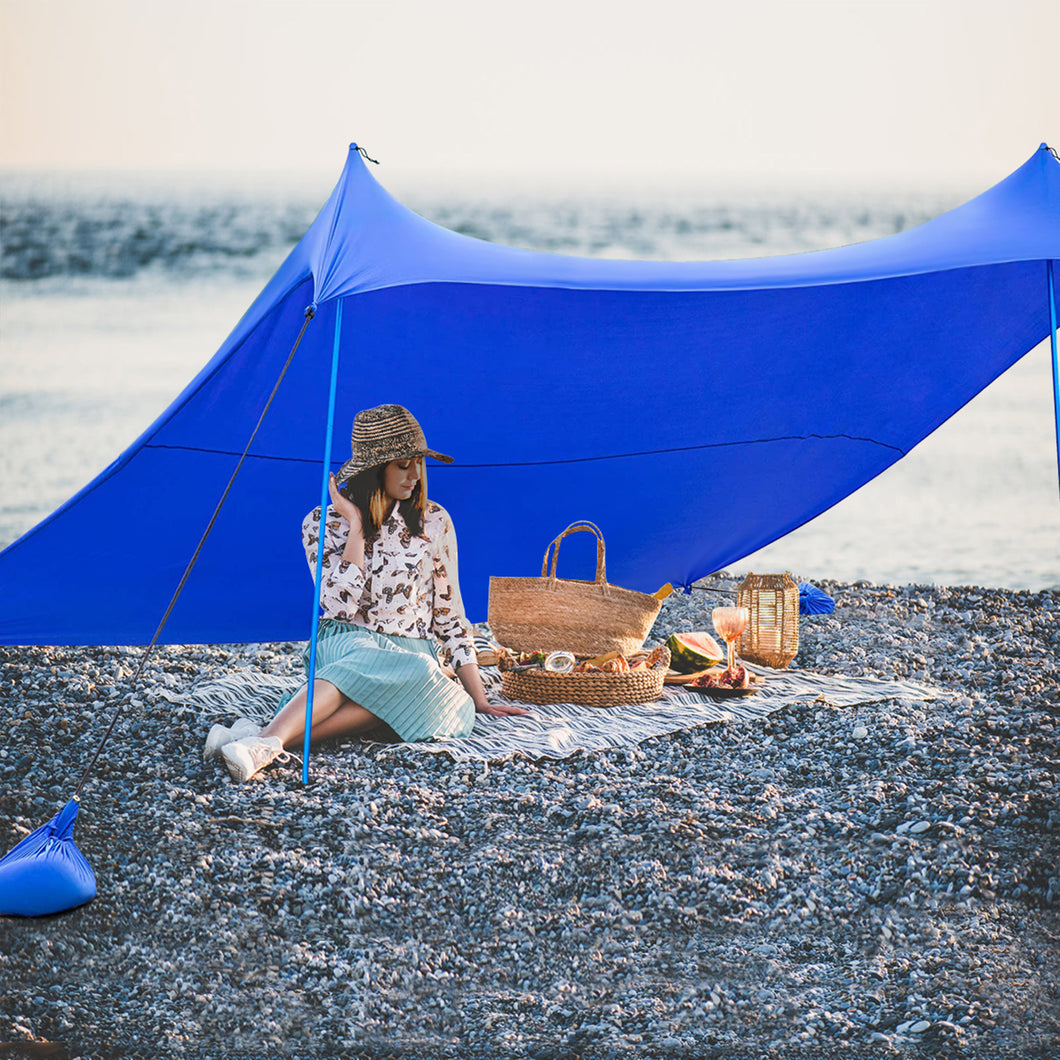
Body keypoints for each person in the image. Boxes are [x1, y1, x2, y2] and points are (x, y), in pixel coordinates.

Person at [206, 404, 527, 781]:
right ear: (375, 470)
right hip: (347, 642)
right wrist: (356, 527)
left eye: (420, 463)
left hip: (413, 654)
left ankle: (260, 738)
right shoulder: (320, 523)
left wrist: (480, 698)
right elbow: (337, 607)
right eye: (403, 465)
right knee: (385, 672)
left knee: (452, 703)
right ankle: (267, 741)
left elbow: (450, 614)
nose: (416, 476)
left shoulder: (435, 521)